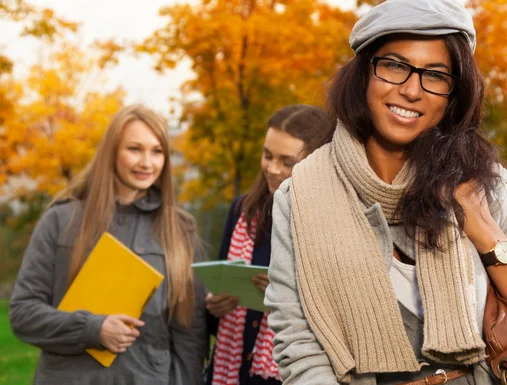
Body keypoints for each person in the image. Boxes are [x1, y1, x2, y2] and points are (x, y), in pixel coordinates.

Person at [264, 1, 507, 384]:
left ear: (453, 95)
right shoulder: (299, 197)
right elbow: (298, 347)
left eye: (435, 75)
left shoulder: (484, 186)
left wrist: (484, 231)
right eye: (395, 66)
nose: (412, 90)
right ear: (363, 73)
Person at [9, 104, 207, 385]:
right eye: (135, 149)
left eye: (157, 151)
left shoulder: (180, 230)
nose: (147, 163)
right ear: (111, 151)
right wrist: (92, 329)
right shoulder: (60, 220)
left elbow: (190, 330)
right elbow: (23, 313)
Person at [204, 104, 335, 385]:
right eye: (267, 155)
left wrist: (285, 301)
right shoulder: (243, 211)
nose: (272, 169)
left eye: (287, 162)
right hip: (231, 371)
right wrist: (214, 307)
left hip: (291, 375)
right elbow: (217, 315)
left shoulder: (331, 225)